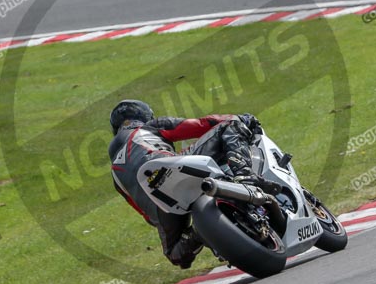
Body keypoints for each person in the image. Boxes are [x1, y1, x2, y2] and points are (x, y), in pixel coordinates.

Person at [107, 99, 266, 269]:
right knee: (231, 125)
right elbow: (201, 124)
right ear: (143, 116)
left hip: (160, 204)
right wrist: (242, 119)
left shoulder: (115, 176)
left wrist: (166, 217)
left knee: (175, 254)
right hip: (171, 167)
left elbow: (146, 215)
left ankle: (197, 234)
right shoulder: (148, 127)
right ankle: (245, 176)